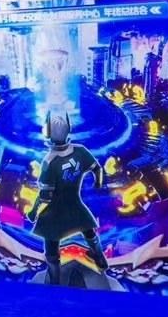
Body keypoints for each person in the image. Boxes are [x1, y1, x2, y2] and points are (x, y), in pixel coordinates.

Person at [28, 109, 114, 290]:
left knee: (51, 243)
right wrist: (98, 183)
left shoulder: (49, 162)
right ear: (69, 129)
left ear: (48, 133)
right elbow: (97, 169)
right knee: (88, 231)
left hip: (55, 212)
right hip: (75, 205)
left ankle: (54, 281)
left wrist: (34, 212)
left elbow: (45, 196)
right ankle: (101, 260)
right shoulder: (80, 151)